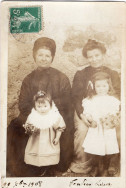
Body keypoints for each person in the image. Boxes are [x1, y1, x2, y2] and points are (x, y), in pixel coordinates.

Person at [7, 37, 74, 177]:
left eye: (47, 55)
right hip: (33, 116)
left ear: (52, 57)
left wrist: (49, 114)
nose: (43, 59)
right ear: (34, 56)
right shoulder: (28, 79)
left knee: (63, 133)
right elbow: (23, 104)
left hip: (56, 117)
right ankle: (25, 165)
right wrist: (38, 114)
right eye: (40, 55)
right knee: (15, 127)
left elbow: (67, 102)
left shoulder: (61, 78)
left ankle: (51, 165)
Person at [70, 39, 120, 175]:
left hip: (110, 110)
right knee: (82, 129)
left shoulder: (113, 74)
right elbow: (76, 97)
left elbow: (119, 96)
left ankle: (112, 161)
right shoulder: (81, 74)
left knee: (116, 128)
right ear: (86, 58)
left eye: (97, 55)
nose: (94, 59)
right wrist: (83, 115)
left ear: (103, 55)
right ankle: (84, 163)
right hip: (86, 110)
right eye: (90, 56)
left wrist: (114, 115)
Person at [82, 71, 120, 176]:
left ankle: (105, 168)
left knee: (107, 147)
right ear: (93, 87)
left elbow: (114, 114)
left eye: (104, 85)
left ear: (109, 86)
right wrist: (90, 119)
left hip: (107, 128)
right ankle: (95, 167)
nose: (101, 88)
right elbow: (87, 113)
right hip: (96, 128)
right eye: (98, 86)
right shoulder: (90, 100)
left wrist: (109, 119)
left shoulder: (112, 100)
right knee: (95, 147)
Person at [23, 91, 66, 174]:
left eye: (45, 106)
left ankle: (48, 169)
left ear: (50, 105)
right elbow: (28, 126)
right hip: (36, 140)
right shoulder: (33, 115)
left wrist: (57, 138)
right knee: (36, 153)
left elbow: (60, 128)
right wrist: (29, 129)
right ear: (35, 106)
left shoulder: (54, 115)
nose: (42, 109)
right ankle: (38, 169)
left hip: (49, 140)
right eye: (39, 106)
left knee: (48, 154)